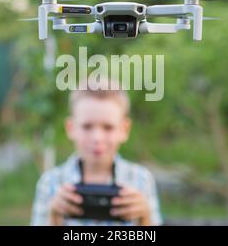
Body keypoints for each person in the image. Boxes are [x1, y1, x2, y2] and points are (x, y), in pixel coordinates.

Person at [30, 78, 162, 225]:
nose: (97, 138)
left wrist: (144, 217)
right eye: (87, 126)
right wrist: (54, 216)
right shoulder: (50, 184)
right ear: (71, 128)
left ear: (124, 129)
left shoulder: (141, 180)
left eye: (108, 127)